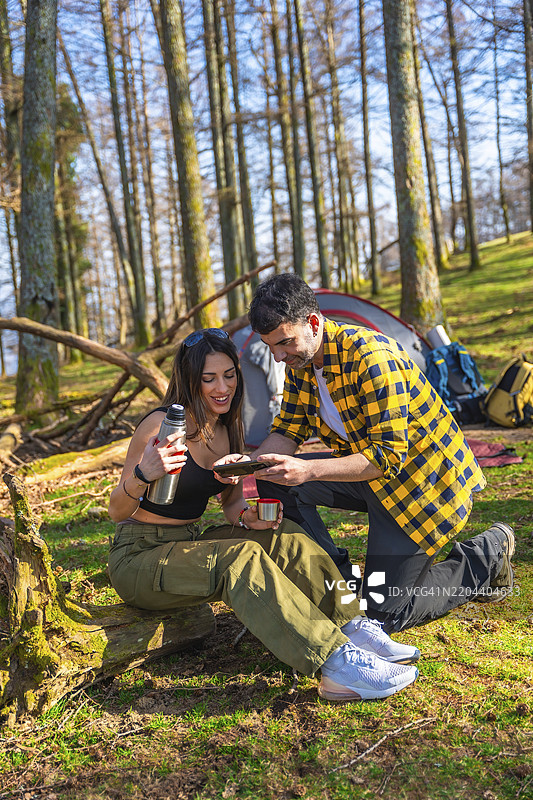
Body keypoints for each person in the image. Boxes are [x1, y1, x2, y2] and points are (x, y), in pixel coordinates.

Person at [107, 328, 419, 703]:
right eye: (208, 379)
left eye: (229, 375)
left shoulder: (226, 429)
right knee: (241, 560)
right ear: (190, 381)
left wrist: (248, 520)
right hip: (138, 558)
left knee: (282, 535)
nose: (221, 387)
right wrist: (145, 473)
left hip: (185, 545)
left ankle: (353, 627)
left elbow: (232, 505)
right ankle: (336, 666)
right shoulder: (159, 427)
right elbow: (116, 511)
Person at [223, 274, 515, 634]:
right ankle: (340, 586)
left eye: (285, 343)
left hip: (421, 489)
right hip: (368, 478)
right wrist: (250, 464)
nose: (279, 356)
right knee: (274, 478)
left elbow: (386, 458)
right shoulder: (303, 362)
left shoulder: (371, 358)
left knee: (386, 614)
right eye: (271, 347)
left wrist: (309, 471)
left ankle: (485, 556)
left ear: (313, 323)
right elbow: (288, 430)